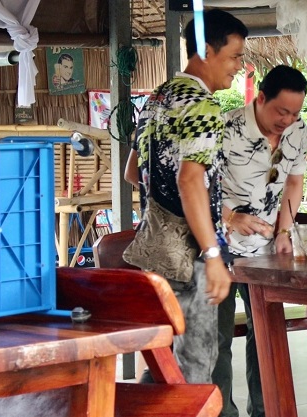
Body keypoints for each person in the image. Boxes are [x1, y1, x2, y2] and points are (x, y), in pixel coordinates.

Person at [129, 10, 247, 387]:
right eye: (234, 56)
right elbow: (190, 180)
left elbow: (134, 172)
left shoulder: (158, 98)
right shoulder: (202, 105)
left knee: (165, 364)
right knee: (195, 366)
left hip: (154, 251)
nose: (239, 66)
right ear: (206, 51)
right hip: (189, 254)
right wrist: (212, 254)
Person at [214, 65, 307, 417]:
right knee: (217, 339)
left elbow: (294, 182)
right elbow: (196, 186)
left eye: (295, 113)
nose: (287, 120)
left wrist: (285, 230)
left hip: (267, 251)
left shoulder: (298, 131)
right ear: (261, 98)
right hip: (219, 248)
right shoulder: (225, 128)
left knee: (266, 335)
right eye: (281, 111)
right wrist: (231, 217)